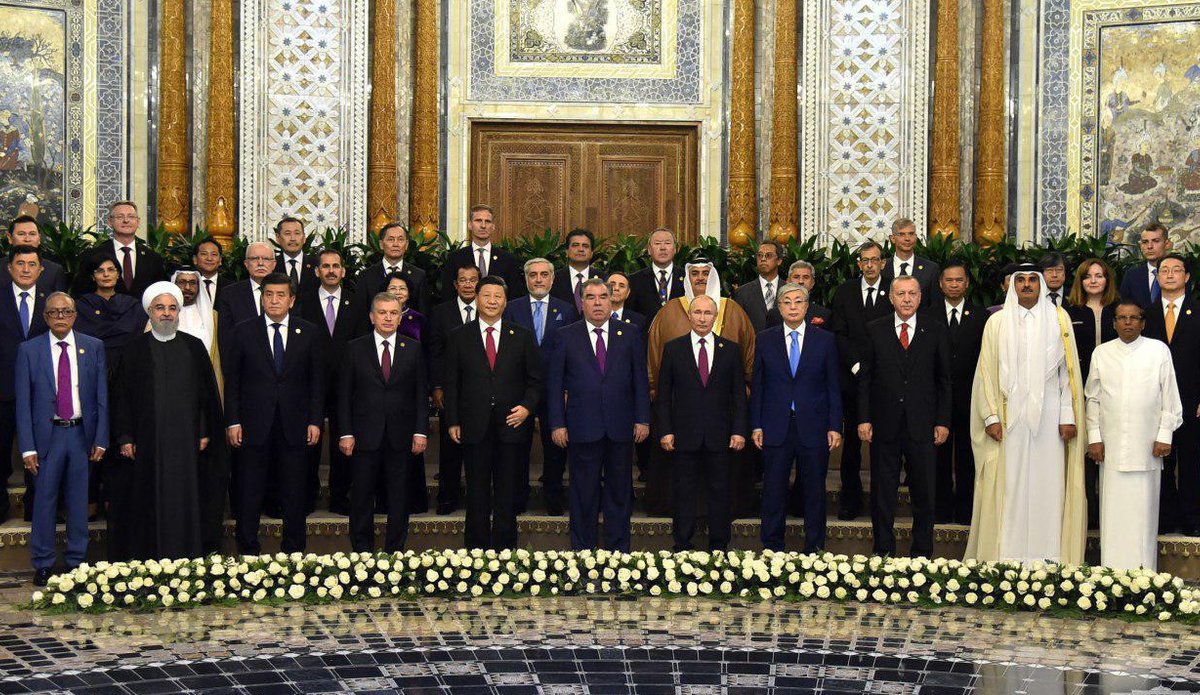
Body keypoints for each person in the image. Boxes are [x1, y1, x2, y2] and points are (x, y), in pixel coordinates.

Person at [966, 264, 1087, 565]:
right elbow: (986, 372)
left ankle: (1049, 557)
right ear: (1012, 285)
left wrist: (1068, 416)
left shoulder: (1059, 319)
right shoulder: (997, 322)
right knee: (1010, 483)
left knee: (1049, 483)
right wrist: (990, 417)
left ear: (1042, 284)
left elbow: (1067, 373)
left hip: (1050, 416)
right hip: (1009, 415)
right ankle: (1007, 555)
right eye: (1021, 280)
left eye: (1033, 279)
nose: (1027, 285)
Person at [109, 282, 226, 561]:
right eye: (160, 308)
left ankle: (188, 553)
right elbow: (121, 397)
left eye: (172, 308)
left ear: (178, 313)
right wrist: (125, 437)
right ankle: (149, 556)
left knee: (186, 497)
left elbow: (206, 396)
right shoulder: (133, 350)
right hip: (147, 443)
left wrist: (203, 431)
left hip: (187, 444)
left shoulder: (194, 347)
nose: (166, 313)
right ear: (149, 311)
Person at [645, 259, 756, 516]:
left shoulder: (733, 309)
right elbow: (654, 354)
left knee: (721, 487)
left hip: (723, 422)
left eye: (706, 273)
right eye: (694, 273)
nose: (700, 278)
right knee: (682, 487)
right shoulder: (670, 310)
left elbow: (749, 352)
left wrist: (748, 385)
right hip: (681, 421)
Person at [223, 272, 324, 554]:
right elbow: (233, 381)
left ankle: (293, 552)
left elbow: (317, 381)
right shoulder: (243, 331)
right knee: (250, 491)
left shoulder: (309, 332)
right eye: (269, 295)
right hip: (253, 425)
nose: (274, 300)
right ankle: (248, 552)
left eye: (281, 295)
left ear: (291, 300)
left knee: (294, 492)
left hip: (295, 425)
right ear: (262, 299)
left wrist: (315, 420)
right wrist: (233, 420)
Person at [547, 278, 650, 551]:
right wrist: (557, 423)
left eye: (603, 297)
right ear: (581, 303)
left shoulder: (629, 333)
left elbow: (640, 380)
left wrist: (642, 418)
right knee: (583, 493)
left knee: (619, 492)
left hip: (620, 426)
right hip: (582, 426)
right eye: (590, 297)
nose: (597, 303)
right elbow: (554, 384)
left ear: (611, 300)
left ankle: (618, 551)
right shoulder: (565, 335)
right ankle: (583, 551)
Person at [443, 276, 542, 550]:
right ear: (476, 299)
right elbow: (451, 383)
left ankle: (505, 552)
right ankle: (476, 552)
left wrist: (527, 407)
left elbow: (536, 380)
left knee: (507, 493)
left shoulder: (521, 335)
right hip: (473, 425)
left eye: (498, 296)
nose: (492, 301)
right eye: (486, 295)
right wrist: (453, 420)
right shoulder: (459, 336)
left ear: (506, 302)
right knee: (476, 493)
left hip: (511, 425)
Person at [857, 276, 952, 556]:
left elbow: (944, 380)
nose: (907, 299)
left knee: (924, 493)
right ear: (891, 298)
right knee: (882, 492)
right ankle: (883, 552)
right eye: (901, 294)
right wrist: (864, 418)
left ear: (920, 297)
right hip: (884, 424)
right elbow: (865, 379)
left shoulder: (935, 329)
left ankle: (921, 554)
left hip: (923, 425)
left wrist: (943, 421)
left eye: (912, 293)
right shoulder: (874, 329)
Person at [16, 293, 106, 585]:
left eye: (66, 311)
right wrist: (27, 447)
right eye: (53, 312)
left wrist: (101, 438)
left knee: (79, 501)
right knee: (44, 500)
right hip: (47, 437)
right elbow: (23, 403)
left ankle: (76, 561)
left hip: (81, 434)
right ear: (45, 317)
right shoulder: (29, 350)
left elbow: (101, 397)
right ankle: (43, 562)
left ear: (74, 315)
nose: (60, 317)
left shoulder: (93, 346)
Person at [1085, 301, 1182, 570]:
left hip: (1147, 447)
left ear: (1143, 322)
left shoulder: (1158, 351)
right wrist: (1094, 437)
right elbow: (1093, 399)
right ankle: (1111, 574)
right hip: (1111, 448)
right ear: (1114, 323)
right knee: (1113, 514)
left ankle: (1144, 575)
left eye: (1133, 318)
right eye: (1122, 318)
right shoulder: (1101, 353)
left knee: (1143, 516)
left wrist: (1165, 435)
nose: (1128, 322)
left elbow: (1169, 396)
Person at [751, 283, 842, 552]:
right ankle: (772, 550)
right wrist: (756, 425)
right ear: (779, 308)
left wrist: (835, 425)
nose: (793, 307)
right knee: (773, 491)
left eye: (798, 301)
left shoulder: (825, 340)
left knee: (814, 493)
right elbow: (758, 386)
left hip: (814, 426)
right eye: (787, 302)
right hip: (775, 426)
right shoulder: (764, 339)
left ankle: (814, 550)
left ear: (807, 306)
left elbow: (833, 386)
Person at [656, 294, 747, 551]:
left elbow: (739, 396)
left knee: (720, 492)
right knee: (684, 492)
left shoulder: (730, 350)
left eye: (708, 313)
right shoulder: (674, 348)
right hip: (684, 434)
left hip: (720, 435)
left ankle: (719, 547)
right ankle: (682, 545)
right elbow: (664, 395)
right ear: (689, 316)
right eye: (697, 312)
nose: (702, 318)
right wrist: (665, 430)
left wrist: (739, 430)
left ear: (715, 317)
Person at [338, 292, 428, 552]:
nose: (388, 318)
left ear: (400, 318)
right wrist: (345, 432)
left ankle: (395, 552)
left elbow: (420, 393)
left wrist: (420, 431)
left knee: (399, 497)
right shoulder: (355, 348)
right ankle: (362, 553)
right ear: (371, 317)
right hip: (364, 435)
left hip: (401, 435)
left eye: (393, 313)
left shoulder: (413, 348)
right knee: (361, 496)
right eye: (382, 312)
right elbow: (344, 394)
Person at [504, 258, 578, 515]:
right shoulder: (511, 308)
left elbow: (572, 354)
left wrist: (567, 389)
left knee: (555, 448)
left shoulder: (566, 310)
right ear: (526, 279)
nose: (538, 279)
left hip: (554, 392)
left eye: (544, 275)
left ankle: (553, 500)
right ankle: (517, 499)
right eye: (533, 274)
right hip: (519, 392)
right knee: (517, 448)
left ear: (552, 279)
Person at [829, 241, 892, 520]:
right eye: (865, 260)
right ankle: (850, 501)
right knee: (853, 445)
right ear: (858, 264)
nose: (869, 265)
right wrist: (856, 365)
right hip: (852, 380)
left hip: (885, 381)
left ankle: (881, 503)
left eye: (874, 260)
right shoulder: (846, 291)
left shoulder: (894, 289)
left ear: (883, 263)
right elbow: (839, 333)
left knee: (884, 446)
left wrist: (879, 367)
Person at [298, 248, 360, 515]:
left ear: (343, 271)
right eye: (326, 266)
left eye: (336, 266)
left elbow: (361, 343)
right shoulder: (303, 301)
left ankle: (340, 496)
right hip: (310, 383)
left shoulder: (357, 302)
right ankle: (307, 495)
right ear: (317, 271)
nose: (331, 271)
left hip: (347, 385)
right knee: (308, 440)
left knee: (343, 439)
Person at [1143, 254, 1200, 536]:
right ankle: (1165, 518)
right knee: (1162, 461)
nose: (1169, 274)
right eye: (1164, 270)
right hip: (1155, 401)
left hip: (1192, 399)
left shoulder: (1197, 310)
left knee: (1191, 462)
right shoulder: (1146, 314)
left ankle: (1192, 520)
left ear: (1186, 277)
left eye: (1176, 270)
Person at [1066, 257, 1119, 530]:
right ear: (1081, 281)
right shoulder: (1069, 312)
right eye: (1088, 276)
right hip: (1079, 390)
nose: (1094, 280)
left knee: (1112, 448)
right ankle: (1088, 515)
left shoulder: (1119, 310)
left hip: (1116, 390)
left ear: (1107, 280)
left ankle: (1112, 513)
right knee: (1085, 451)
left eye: (1099, 275)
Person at [933, 259, 987, 524]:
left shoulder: (981, 316)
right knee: (938, 456)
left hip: (970, 397)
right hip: (936, 399)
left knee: (968, 456)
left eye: (959, 280)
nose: (954, 285)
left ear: (967, 283)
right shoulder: (928, 314)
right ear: (940, 284)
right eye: (949, 280)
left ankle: (966, 511)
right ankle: (941, 510)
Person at [0, 246, 48, 520]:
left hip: (41, 390)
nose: (26, 269)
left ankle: (36, 509)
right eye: (20, 263)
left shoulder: (51, 302)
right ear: (10, 268)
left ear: (41, 269)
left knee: (41, 453)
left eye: (32, 264)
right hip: (3, 389)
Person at [428, 265, 480, 514]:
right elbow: (434, 352)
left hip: (481, 390)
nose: (468, 284)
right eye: (463, 280)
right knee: (450, 446)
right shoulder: (441, 313)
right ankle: (447, 498)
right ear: (455, 285)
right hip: (450, 389)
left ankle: (477, 499)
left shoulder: (490, 309)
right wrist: (437, 386)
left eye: (473, 280)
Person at [384, 271, 430, 514]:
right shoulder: (377, 316)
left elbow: (427, 353)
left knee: (411, 450)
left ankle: (414, 501)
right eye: (393, 288)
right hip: (383, 389)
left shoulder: (418, 319)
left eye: (402, 288)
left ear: (409, 293)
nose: (398, 292)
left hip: (410, 390)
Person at [74, 202, 166, 297]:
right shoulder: (92, 255)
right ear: (110, 222)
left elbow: (160, 293)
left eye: (131, 216)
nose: (126, 220)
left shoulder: (153, 258)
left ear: (138, 222)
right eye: (120, 217)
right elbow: (82, 292)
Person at [73, 256, 146, 371]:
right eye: (100, 271)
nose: (106, 274)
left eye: (111, 270)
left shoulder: (132, 305)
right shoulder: (81, 306)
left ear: (118, 274)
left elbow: (137, 337)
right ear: (93, 276)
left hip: (128, 364)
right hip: (91, 363)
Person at [440, 205, 523, 301]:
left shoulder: (507, 259)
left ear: (493, 227)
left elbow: (514, 296)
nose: (483, 226)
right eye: (478, 220)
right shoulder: (455, 258)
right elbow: (448, 294)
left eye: (487, 221)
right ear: (470, 225)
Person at [353, 222, 430, 316]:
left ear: (406, 245)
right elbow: (360, 313)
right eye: (391, 239)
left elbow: (423, 313)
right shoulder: (366, 275)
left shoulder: (418, 275)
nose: (396, 244)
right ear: (381, 244)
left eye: (400, 239)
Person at [215, 241, 277, 356]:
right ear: (246, 264)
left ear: (274, 264)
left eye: (266, 259)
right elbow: (226, 338)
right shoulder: (230, 294)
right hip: (244, 361)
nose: (260, 263)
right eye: (254, 258)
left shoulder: (286, 292)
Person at [626, 227, 686, 323]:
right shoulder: (634, 280)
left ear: (675, 249)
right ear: (649, 250)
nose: (663, 248)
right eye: (657, 243)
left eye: (667, 243)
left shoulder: (687, 277)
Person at [881, 218, 940, 307]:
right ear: (892, 238)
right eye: (902, 234)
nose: (907, 238)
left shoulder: (931, 269)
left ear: (915, 237)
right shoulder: (882, 267)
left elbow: (935, 304)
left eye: (911, 234)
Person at [0, 216, 66, 292]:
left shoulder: (54, 271)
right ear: (10, 238)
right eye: (21, 234)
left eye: (32, 234)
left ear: (39, 238)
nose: (27, 239)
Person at [172, 267, 220, 366]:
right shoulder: (163, 315)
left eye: (193, 283)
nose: (187, 287)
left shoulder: (213, 316)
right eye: (182, 282)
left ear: (199, 286)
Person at [732, 241, 784, 332]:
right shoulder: (742, 293)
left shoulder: (790, 291)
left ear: (779, 261)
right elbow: (736, 327)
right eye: (760, 255)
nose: (763, 259)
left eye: (768, 255)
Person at [1119, 222, 1172, 307]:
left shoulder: (1179, 274)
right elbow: (1123, 308)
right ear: (1141, 246)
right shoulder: (1131, 276)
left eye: (1155, 241)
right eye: (1145, 242)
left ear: (1167, 244)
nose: (1149, 246)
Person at [551, 228, 603, 313]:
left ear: (592, 253)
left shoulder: (603, 279)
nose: (581, 249)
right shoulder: (553, 279)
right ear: (567, 252)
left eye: (585, 246)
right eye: (575, 245)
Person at [767, 260, 833, 327]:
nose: (801, 281)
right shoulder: (774, 315)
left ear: (813, 283)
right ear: (787, 281)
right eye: (796, 277)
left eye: (806, 277)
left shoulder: (824, 314)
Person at [273, 216, 318, 297]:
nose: (293, 238)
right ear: (278, 238)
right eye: (287, 234)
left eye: (297, 233)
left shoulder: (317, 264)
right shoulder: (272, 265)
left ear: (304, 238)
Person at [193, 237, 228, 304]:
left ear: (220, 260)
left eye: (214, 254)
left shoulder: (230, 287)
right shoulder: (187, 286)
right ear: (195, 259)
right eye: (204, 254)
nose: (209, 258)